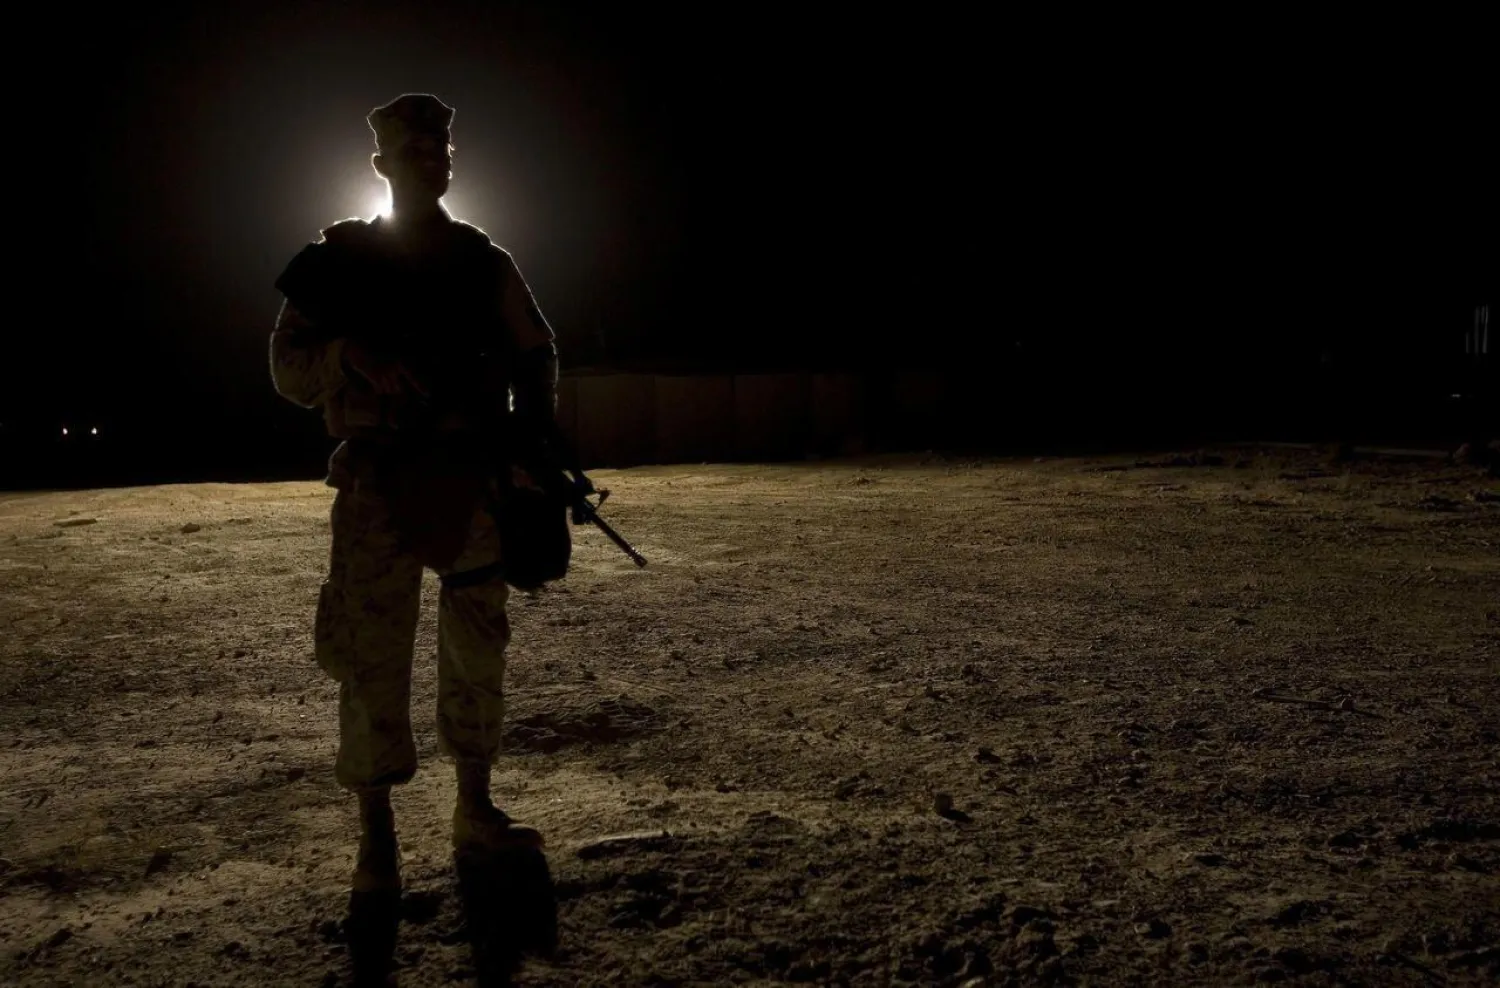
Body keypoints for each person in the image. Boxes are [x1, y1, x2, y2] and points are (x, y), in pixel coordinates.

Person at [269, 93, 560, 894]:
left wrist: (534, 446)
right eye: (414, 154)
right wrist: (349, 357)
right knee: (370, 659)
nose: (432, 164)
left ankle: (475, 807)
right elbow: (288, 368)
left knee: (477, 646)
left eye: (442, 152)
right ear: (382, 166)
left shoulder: (482, 261)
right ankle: (377, 841)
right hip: (376, 481)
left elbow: (537, 355)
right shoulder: (337, 261)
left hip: (469, 478)